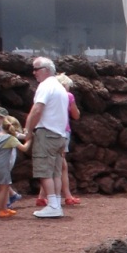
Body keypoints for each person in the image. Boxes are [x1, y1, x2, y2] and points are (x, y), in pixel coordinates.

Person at [25, 57, 70, 218]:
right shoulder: (60, 88)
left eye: (36, 69)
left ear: (46, 70)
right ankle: (56, 202)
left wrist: (28, 130)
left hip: (47, 133)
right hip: (60, 134)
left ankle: (52, 204)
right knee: (56, 172)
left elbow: (37, 109)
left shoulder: (45, 86)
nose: (34, 72)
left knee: (44, 170)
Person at [36, 74, 81, 207]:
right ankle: (65, 196)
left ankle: (42, 196)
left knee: (52, 164)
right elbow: (76, 115)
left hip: (46, 130)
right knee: (60, 165)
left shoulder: (48, 93)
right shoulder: (67, 95)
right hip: (62, 131)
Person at [0, 116, 32, 218]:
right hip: (3, 166)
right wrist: (29, 140)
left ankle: (4, 209)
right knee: (3, 189)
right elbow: (24, 148)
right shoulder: (10, 138)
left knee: (4, 187)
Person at [0, 107, 24, 208]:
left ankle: (7, 202)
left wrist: (27, 135)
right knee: (2, 180)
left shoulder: (6, 128)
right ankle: (12, 195)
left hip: (7, 156)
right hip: (1, 157)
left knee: (3, 180)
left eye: (1, 118)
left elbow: (18, 135)